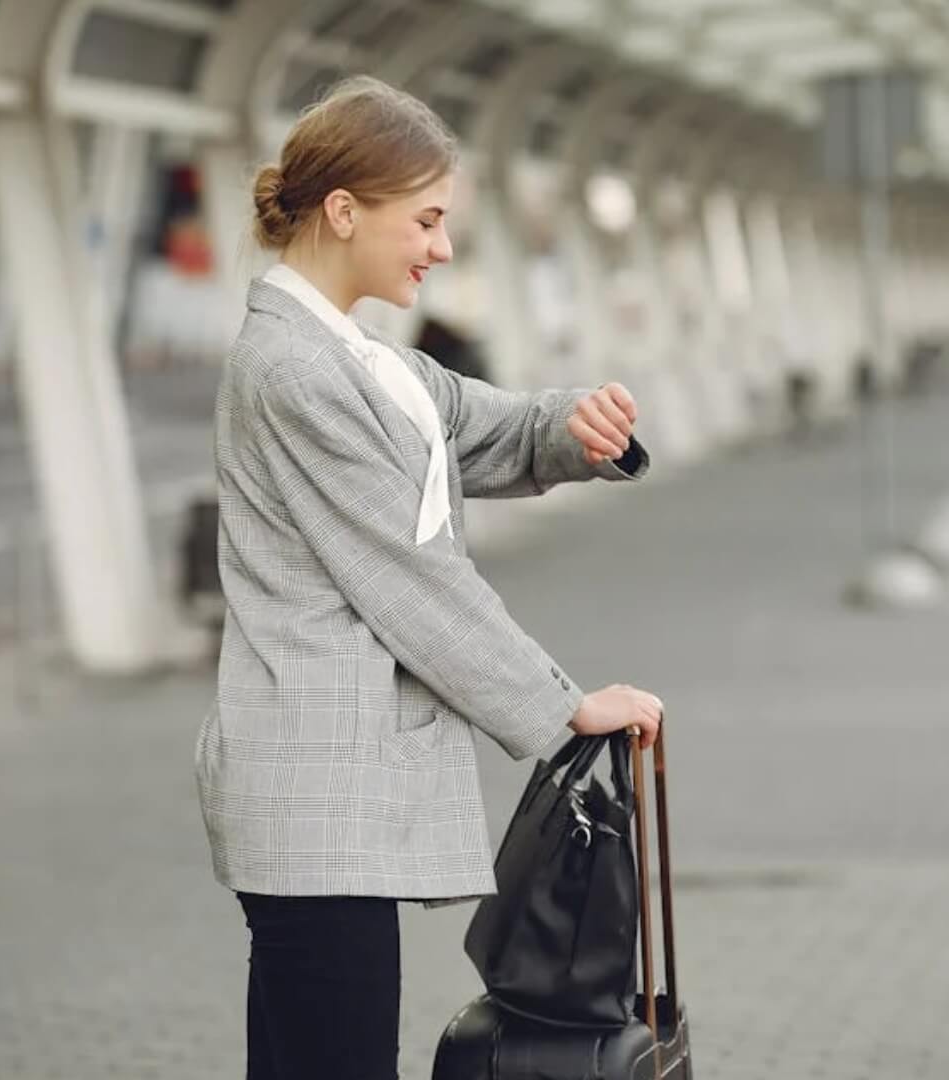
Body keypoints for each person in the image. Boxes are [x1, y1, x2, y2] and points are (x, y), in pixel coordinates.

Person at [192, 75, 666, 1080]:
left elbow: (478, 426)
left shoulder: (364, 359)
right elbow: (408, 579)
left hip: (328, 794)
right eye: (428, 219)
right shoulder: (293, 372)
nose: (441, 248)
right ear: (345, 209)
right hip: (313, 787)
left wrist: (573, 426)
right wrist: (563, 707)